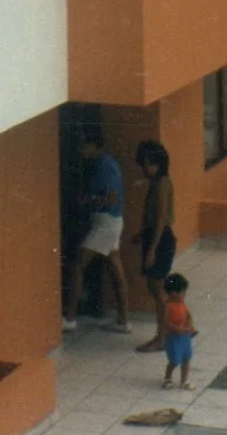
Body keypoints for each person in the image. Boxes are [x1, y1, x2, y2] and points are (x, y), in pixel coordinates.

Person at [62, 136, 132, 334]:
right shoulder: (104, 164)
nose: (81, 151)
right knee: (115, 268)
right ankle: (123, 320)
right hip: (112, 221)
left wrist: (88, 200)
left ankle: (70, 317)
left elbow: (111, 197)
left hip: (105, 222)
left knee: (78, 264)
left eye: (85, 147)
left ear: (96, 146)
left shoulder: (104, 166)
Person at [133, 139, 176, 353]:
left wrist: (151, 249)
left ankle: (163, 336)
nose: (145, 168)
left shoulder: (161, 184)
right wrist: (142, 234)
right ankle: (171, 329)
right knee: (156, 287)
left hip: (160, 240)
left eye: (148, 164)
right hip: (155, 236)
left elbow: (161, 219)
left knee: (157, 288)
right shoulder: (158, 183)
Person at [161, 272, 197, 389]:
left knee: (186, 358)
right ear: (173, 293)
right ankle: (167, 378)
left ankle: (184, 380)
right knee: (174, 360)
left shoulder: (182, 303)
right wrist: (175, 328)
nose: (184, 294)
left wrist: (189, 325)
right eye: (182, 292)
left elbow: (189, 316)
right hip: (173, 337)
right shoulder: (168, 305)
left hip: (184, 335)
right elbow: (165, 321)